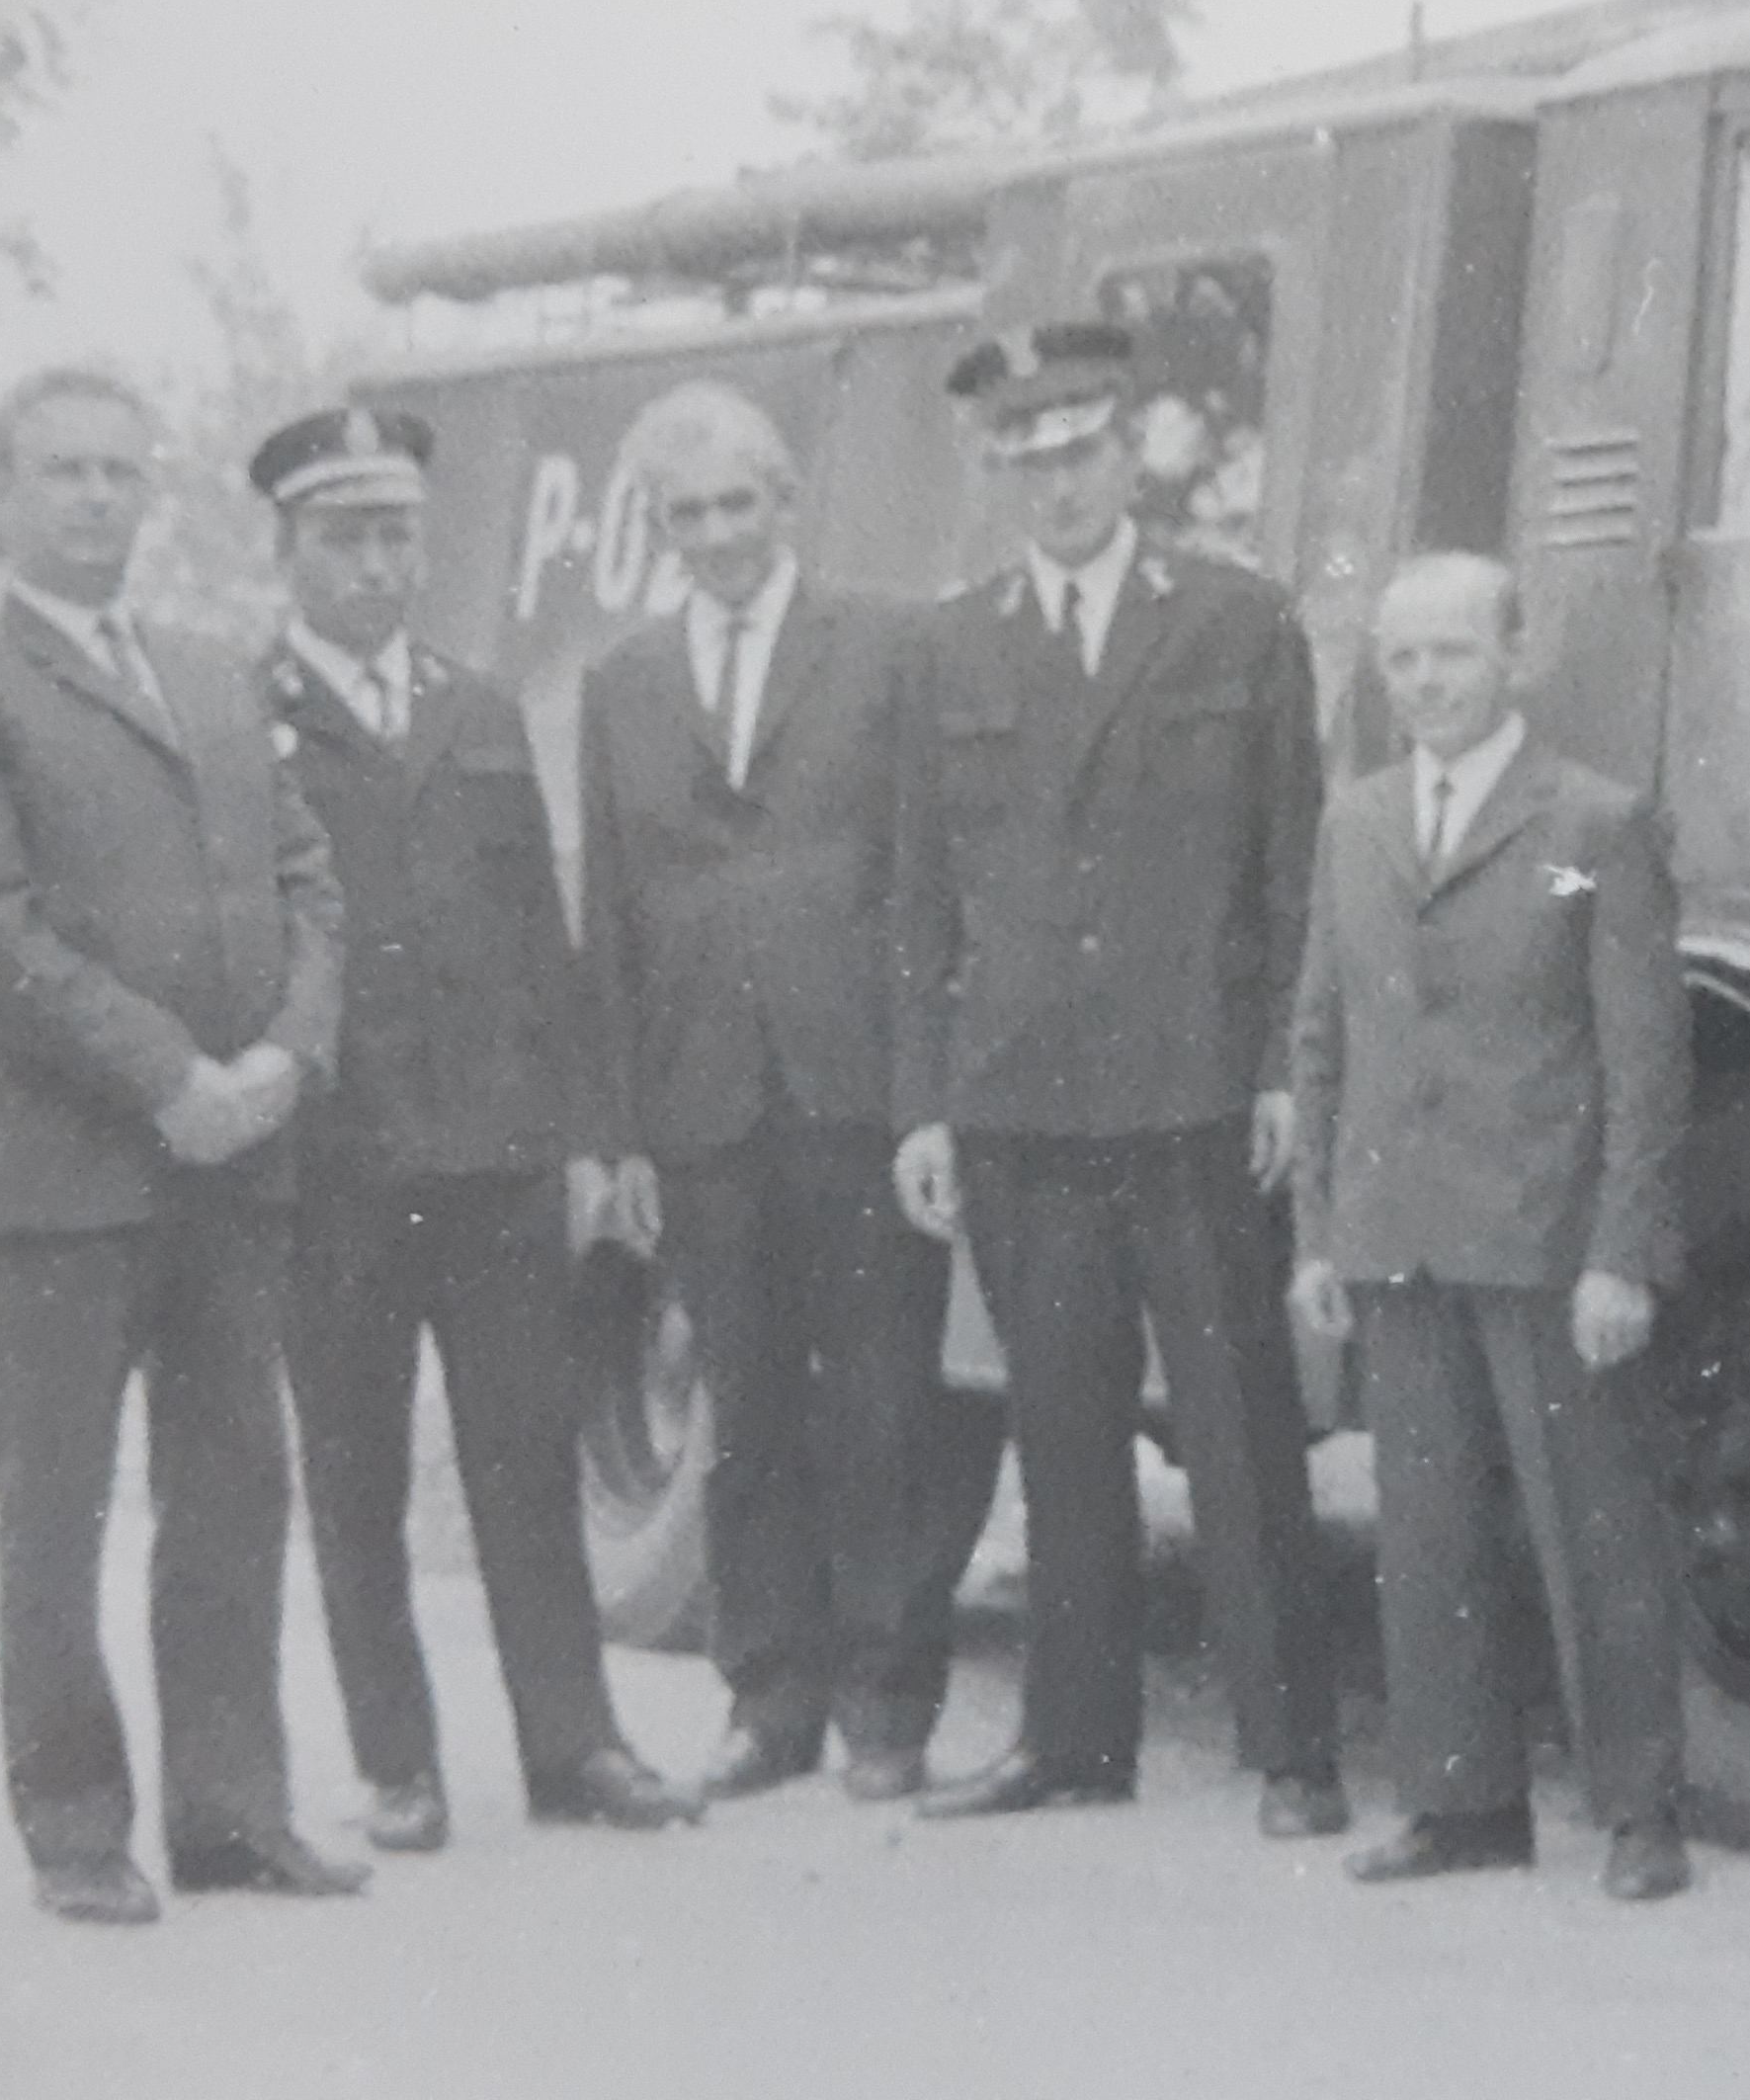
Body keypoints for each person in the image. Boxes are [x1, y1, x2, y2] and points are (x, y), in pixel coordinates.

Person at [0, 367, 361, 1928]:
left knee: (233, 1493)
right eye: (63, 471)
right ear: (3, 494)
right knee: (60, 1512)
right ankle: (79, 1831)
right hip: (68, 1182)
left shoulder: (219, 674)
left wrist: (288, 1051)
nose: (95, 497)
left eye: (119, 473)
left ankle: (233, 1817)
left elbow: (309, 880)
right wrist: (171, 1076)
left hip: (234, 1162)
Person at [888, 321, 1347, 1839]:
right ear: (1000, 472)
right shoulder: (951, 645)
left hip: (1194, 1093)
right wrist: (923, 1104)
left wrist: (1285, 1065)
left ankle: (1294, 1755)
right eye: (1028, 462)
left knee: (1238, 1427)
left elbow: (1297, 876)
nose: (1059, 487)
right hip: (1021, 1098)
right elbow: (917, 902)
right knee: (1061, 1431)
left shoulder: (1233, 620)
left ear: (1128, 450)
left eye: (1079, 453)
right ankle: (1073, 1741)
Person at [247, 402, 704, 1857]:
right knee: (358, 1476)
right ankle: (401, 1767)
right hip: (337, 1168)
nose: (377, 569)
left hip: (499, 1162)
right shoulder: (239, 720)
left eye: (396, 538)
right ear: (289, 552)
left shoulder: (478, 707)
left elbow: (542, 938)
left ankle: (575, 1747)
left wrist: (585, 1133)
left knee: (524, 1465)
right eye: (344, 540)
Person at [1286, 553, 1695, 1901]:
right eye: (1401, 660)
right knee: (1427, 1530)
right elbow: (1320, 1033)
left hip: (1545, 1241)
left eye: (1452, 654)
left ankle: (1641, 1813)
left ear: (1514, 657)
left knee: (1595, 1533)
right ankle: (1462, 1806)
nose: (1424, 683)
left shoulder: (1594, 824)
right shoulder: (1355, 820)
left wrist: (1622, 1256)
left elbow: (1645, 1066)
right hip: (1399, 1233)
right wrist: (1319, 1239)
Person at [581, 382, 954, 1804]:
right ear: (661, 530)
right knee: (743, 1411)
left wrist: (925, 1100)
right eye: (690, 515)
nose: (720, 536)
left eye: (741, 505)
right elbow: (608, 909)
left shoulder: (887, 646)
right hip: (701, 1102)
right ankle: (767, 1703)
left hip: (852, 1083)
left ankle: (884, 1704)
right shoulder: (623, 684)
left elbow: (927, 884)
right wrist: (615, 1130)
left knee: (879, 1404)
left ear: (785, 506)